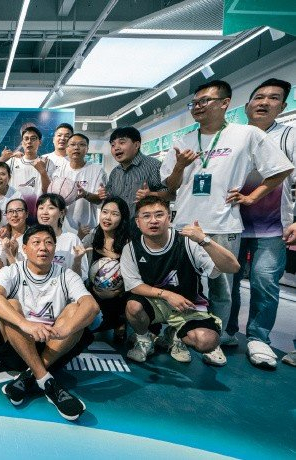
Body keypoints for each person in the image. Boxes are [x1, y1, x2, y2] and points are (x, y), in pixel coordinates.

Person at [161, 80, 293, 366]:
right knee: (181, 285)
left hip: (224, 225)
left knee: (222, 288)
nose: (198, 106)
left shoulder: (246, 135)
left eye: (205, 101)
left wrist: (252, 197)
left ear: (225, 103)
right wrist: (180, 166)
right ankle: (178, 335)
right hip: (184, 225)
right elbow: (170, 187)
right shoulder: (183, 141)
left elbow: (280, 169)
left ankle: (216, 339)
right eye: (195, 103)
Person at [0, 224, 99, 421]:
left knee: (76, 310)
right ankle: (47, 381)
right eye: (36, 242)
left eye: (48, 243)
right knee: (11, 304)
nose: (43, 248)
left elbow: (92, 306)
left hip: (53, 347)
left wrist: (66, 330)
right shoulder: (12, 271)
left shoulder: (66, 275)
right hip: (17, 348)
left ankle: (31, 375)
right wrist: (25, 324)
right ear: (24, 248)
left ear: (55, 248)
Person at [121, 197, 240, 366]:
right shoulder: (131, 248)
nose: (153, 220)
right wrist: (167, 295)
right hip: (155, 303)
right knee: (133, 306)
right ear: (138, 222)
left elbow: (233, 267)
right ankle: (144, 340)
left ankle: (175, 335)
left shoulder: (188, 242)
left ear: (169, 218)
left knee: (208, 342)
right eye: (146, 216)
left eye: (159, 215)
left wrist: (204, 240)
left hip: (188, 305)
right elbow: (134, 286)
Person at [228, 78, 296, 369]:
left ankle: (258, 338)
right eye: (259, 97)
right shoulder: (233, 137)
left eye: (273, 98)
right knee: (227, 282)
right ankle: (227, 331)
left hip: (272, 227)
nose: (264, 102)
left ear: (283, 106)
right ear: (247, 106)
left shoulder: (289, 136)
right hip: (232, 224)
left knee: (264, 281)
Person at [82, 197, 130, 345]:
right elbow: (80, 272)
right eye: (105, 212)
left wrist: (118, 290)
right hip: (94, 292)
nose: (107, 217)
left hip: (120, 295)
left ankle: (120, 322)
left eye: (114, 214)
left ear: (122, 218)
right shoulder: (90, 238)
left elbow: (136, 276)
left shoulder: (129, 243)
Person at [102, 126, 171, 219]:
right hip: (120, 225)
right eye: (113, 145)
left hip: (147, 224)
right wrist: (104, 195)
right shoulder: (115, 172)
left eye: (122, 143)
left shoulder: (154, 165)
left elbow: (170, 195)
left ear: (136, 145)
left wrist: (151, 194)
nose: (116, 148)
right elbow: (110, 199)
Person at [53, 133, 106, 238]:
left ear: (87, 149)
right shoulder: (59, 172)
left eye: (81, 144)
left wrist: (85, 194)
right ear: (67, 148)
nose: (76, 148)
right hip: (62, 228)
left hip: (88, 228)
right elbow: (53, 200)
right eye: (72, 144)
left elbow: (100, 200)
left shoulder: (97, 171)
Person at [5, 126, 52, 222]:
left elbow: (49, 191)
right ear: (22, 143)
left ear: (40, 142)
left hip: (38, 215)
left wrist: (43, 172)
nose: (29, 141)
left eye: (33, 138)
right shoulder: (12, 162)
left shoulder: (47, 163)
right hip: (15, 215)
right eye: (26, 139)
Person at [36, 193, 89, 278]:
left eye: (51, 208)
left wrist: (77, 261)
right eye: (41, 208)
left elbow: (81, 278)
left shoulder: (72, 239)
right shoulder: (31, 239)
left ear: (62, 213)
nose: (44, 212)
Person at [1, 198, 29, 265]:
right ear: (6, 215)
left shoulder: (33, 236)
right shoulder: (1, 236)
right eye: (10, 211)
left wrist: (11, 254)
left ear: (27, 214)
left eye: (19, 210)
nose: (14, 215)